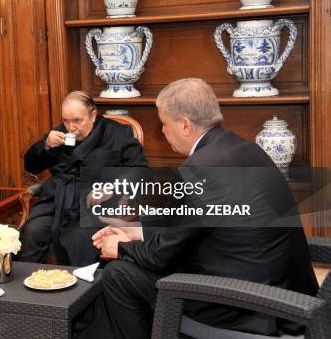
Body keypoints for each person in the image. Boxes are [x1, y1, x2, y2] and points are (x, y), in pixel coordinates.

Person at [93, 78, 318, 338]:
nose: (163, 132)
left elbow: (161, 255)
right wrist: (138, 231)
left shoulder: (200, 168)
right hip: (284, 289)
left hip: (247, 304)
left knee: (119, 275)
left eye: (164, 124)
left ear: (185, 125)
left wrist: (119, 248)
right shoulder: (244, 148)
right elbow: (197, 223)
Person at [18, 91, 150, 266]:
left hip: (96, 203)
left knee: (78, 238)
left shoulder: (118, 134)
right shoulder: (58, 134)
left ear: (93, 115)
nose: (71, 127)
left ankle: (81, 289)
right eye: (66, 121)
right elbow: (31, 166)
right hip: (58, 200)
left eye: (77, 121)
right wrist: (45, 146)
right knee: (33, 232)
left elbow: (141, 172)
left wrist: (112, 187)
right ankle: (29, 286)